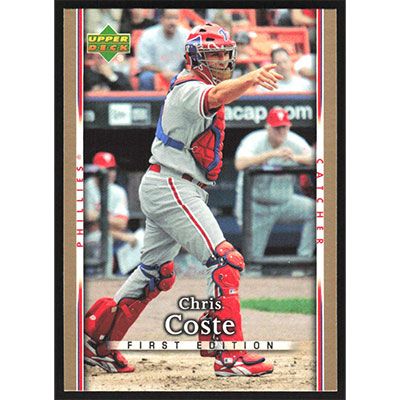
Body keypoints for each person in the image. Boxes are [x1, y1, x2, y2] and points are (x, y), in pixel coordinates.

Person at [84, 22, 283, 377]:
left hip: (171, 184)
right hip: (173, 184)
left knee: (154, 273)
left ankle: (98, 342)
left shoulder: (197, 84)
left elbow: (218, 94)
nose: (222, 60)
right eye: (214, 55)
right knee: (225, 261)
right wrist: (251, 79)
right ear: (195, 58)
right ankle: (230, 355)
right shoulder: (190, 87)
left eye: (224, 54)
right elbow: (216, 96)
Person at [234, 108, 315, 259]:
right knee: (253, 260)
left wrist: (296, 158)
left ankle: (303, 260)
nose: (281, 131)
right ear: (268, 127)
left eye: (284, 127)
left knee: (316, 210)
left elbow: (318, 159)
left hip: (285, 203)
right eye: (277, 128)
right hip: (257, 207)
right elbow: (239, 163)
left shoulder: (295, 141)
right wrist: (270, 155)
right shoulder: (254, 140)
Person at [84, 152, 138, 274]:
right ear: (96, 171)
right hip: (89, 237)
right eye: (107, 169)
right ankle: (106, 279)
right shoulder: (85, 188)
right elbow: (89, 223)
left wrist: (98, 217)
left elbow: (122, 223)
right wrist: (119, 233)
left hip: (114, 235)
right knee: (105, 240)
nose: (111, 173)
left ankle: (123, 279)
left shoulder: (118, 191)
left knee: (142, 241)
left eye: (112, 169)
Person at [136, 9, 189, 90]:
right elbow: (143, 65)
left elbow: (193, 61)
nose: (172, 22)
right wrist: (163, 72)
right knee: (145, 78)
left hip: (180, 74)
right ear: (161, 19)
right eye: (169, 18)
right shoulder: (148, 35)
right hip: (155, 73)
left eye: (175, 18)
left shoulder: (187, 35)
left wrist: (179, 74)